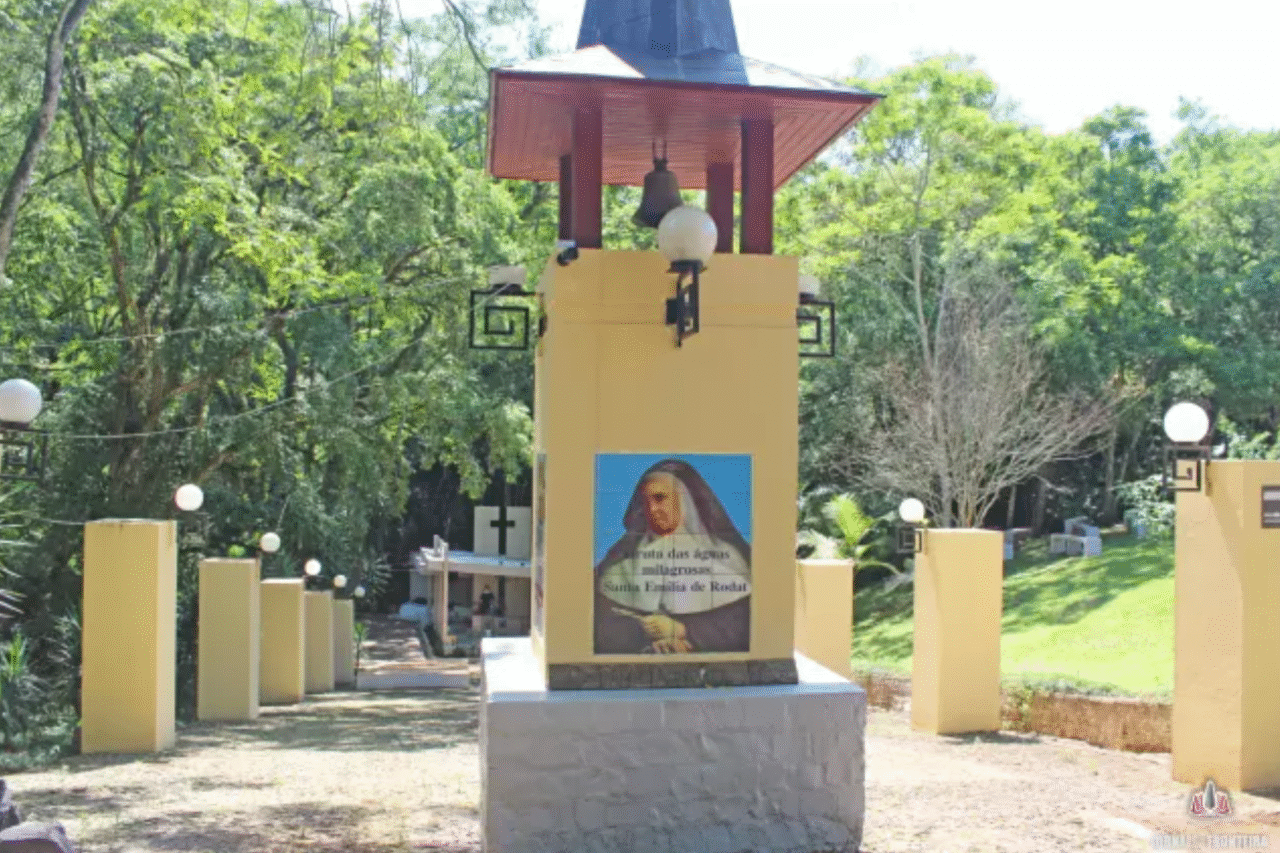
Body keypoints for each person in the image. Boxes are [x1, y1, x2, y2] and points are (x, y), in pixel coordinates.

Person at [594, 458, 751, 654]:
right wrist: (644, 633)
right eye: (645, 502)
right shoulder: (621, 562)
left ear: (684, 500)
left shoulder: (727, 559)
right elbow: (601, 621)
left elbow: (743, 624)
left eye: (660, 498)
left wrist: (684, 632)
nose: (652, 510)